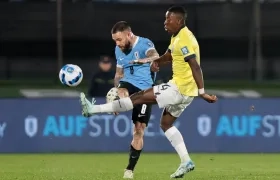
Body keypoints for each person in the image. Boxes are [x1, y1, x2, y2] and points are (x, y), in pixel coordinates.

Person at [80, 6, 217, 179]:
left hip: (180, 88)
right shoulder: (177, 37)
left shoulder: (184, 40)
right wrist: (158, 62)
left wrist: (202, 92)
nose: (165, 22)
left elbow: (195, 65)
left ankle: (93, 110)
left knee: (137, 98)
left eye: (169, 19)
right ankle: (186, 161)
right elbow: (168, 55)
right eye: (165, 19)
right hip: (186, 93)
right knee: (166, 124)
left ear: (179, 21)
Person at [107, 21, 159, 179]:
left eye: (119, 39)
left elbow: (155, 56)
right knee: (122, 89)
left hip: (145, 90)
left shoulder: (144, 43)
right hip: (128, 83)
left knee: (138, 131)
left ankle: (129, 169)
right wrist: (116, 92)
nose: (118, 44)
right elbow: (118, 75)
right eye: (115, 40)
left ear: (128, 34)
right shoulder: (119, 49)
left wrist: (141, 61)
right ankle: (118, 101)